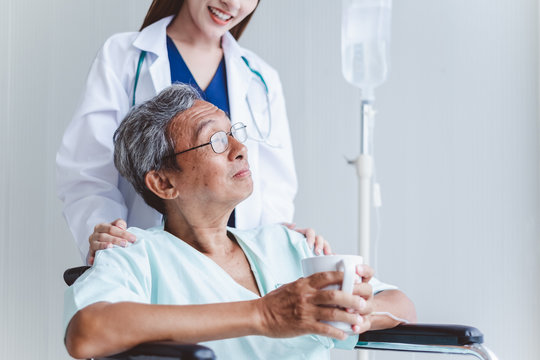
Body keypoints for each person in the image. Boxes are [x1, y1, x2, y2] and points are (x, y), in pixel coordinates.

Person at [64, 84, 416, 359]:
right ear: (164, 183)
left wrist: (360, 312)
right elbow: (86, 332)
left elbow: (401, 305)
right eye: (216, 141)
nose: (239, 148)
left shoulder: (289, 245)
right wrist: (263, 315)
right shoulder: (133, 253)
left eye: (234, 132)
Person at [57, 0, 316, 265]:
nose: (233, 3)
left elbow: (275, 191)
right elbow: (88, 171)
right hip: (148, 260)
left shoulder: (261, 76)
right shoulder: (124, 57)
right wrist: (111, 236)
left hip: (238, 266)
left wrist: (283, 245)